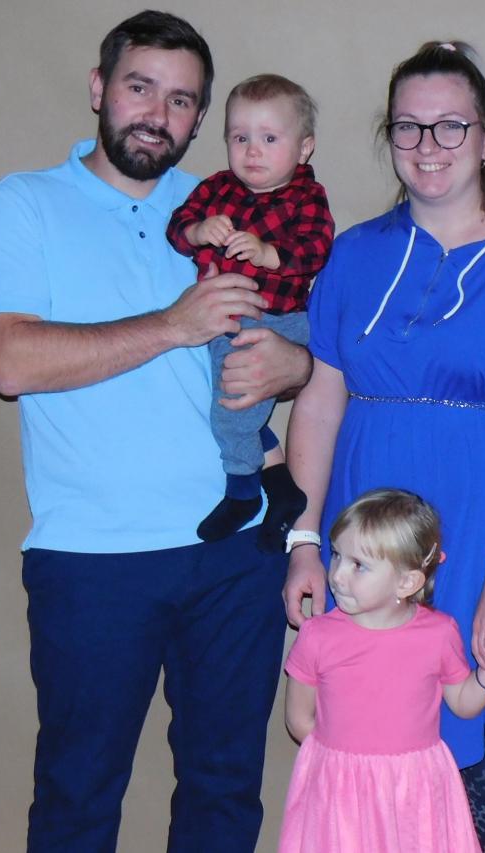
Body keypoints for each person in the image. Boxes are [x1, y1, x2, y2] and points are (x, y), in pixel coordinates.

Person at [0, 11, 310, 852]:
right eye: (140, 87)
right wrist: (172, 324)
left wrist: (292, 366)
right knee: (79, 795)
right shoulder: (23, 204)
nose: (158, 114)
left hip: (236, 553)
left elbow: (300, 337)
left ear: (201, 118)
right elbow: (9, 361)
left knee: (225, 792)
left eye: (182, 100)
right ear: (99, 88)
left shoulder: (228, 207)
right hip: (93, 556)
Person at [282, 40, 485, 851]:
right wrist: (305, 541)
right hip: (369, 564)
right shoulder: (354, 255)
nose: (428, 146)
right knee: (367, 789)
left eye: (450, 125)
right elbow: (318, 404)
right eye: (408, 127)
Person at [279, 489, 485, 852]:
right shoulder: (317, 635)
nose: (338, 575)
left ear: (407, 582)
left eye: (358, 565)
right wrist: (341, 765)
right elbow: (299, 719)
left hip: (415, 790)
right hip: (341, 791)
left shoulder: (438, 633)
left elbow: (463, 703)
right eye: (336, 555)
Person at [166, 73, 333, 550]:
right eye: (240, 138)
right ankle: (282, 490)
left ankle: (242, 492)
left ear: (304, 149)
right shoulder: (217, 189)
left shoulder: (305, 197)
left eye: (269, 139)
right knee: (222, 402)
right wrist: (198, 232)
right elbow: (177, 227)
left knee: (233, 408)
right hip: (224, 319)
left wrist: (269, 254)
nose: (252, 151)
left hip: (277, 319)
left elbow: (317, 248)